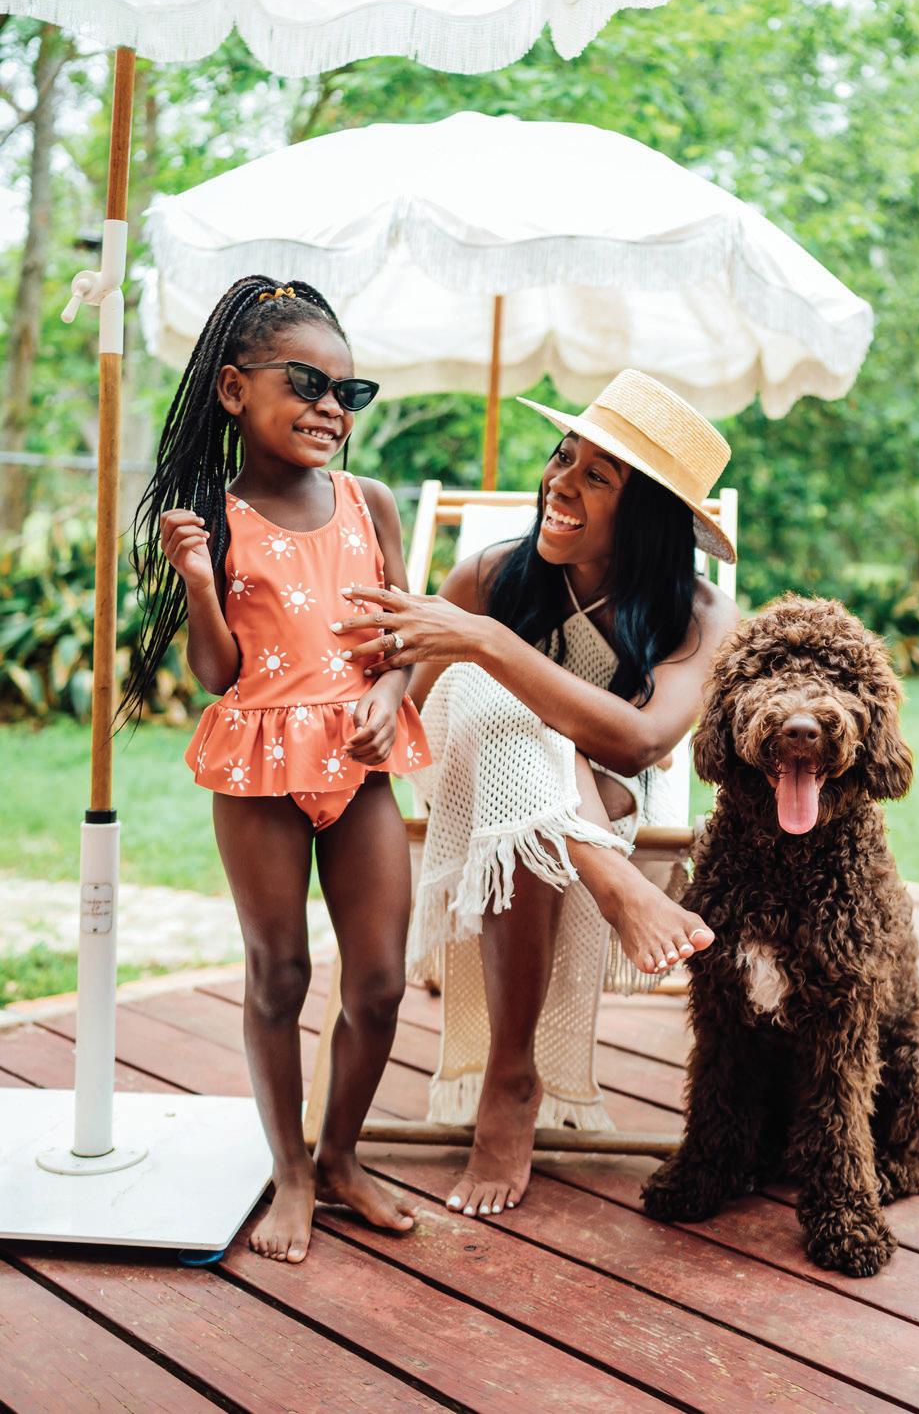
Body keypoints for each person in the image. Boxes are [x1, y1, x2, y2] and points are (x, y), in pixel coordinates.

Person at [333, 369, 740, 1220]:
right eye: (563, 457)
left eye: (598, 475)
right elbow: (406, 707)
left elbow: (642, 744)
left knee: (511, 709)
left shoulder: (700, 615)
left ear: (651, 515)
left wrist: (489, 642)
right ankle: (608, 887)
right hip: (460, 769)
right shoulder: (488, 576)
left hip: (611, 794)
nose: (560, 482)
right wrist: (447, 661)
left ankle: (511, 1073)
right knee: (489, 694)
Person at [125, 275, 429, 1266]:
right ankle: (290, 1169)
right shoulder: (211, 516)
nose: (331, 407)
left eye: (349, 391)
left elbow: (404, 634)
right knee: (280, 973)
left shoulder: (367, 503)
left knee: (378, 980)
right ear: (233, 389)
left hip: (359, 766)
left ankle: (340, 1155)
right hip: (259, 769)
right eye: (306, 383)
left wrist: (389, 693)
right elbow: (217, 673)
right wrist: (198, 581)